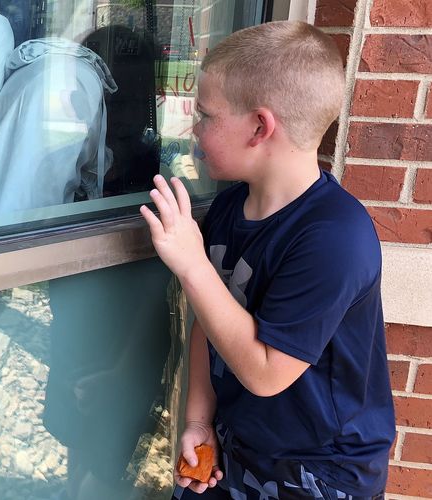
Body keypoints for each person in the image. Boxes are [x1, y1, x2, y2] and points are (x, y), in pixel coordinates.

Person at [139, 21, 394, 499]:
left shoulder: (335, 238)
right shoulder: (230, 208)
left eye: (205, 115)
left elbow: (265, 372)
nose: (194, 130)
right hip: (240, 441)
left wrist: (191, 264)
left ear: (259, 127)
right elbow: (209, 321)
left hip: (320, 468)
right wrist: (198, 420)